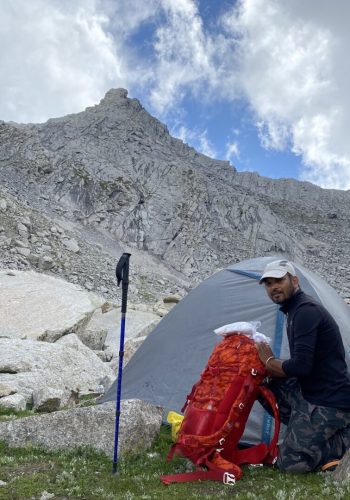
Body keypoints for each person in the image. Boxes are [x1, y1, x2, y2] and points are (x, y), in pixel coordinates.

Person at [256, 259, 350, 473]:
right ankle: (306, 434)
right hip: (309, 392)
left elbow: (301, 367)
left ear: (294, 281)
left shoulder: (306, 311)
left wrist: (270, 362)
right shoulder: (293, 310)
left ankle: (340, 441)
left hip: (330, 401)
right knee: (259, 383)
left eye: (279, 280)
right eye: (269, 284)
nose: (274, 287)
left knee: (290, 464)